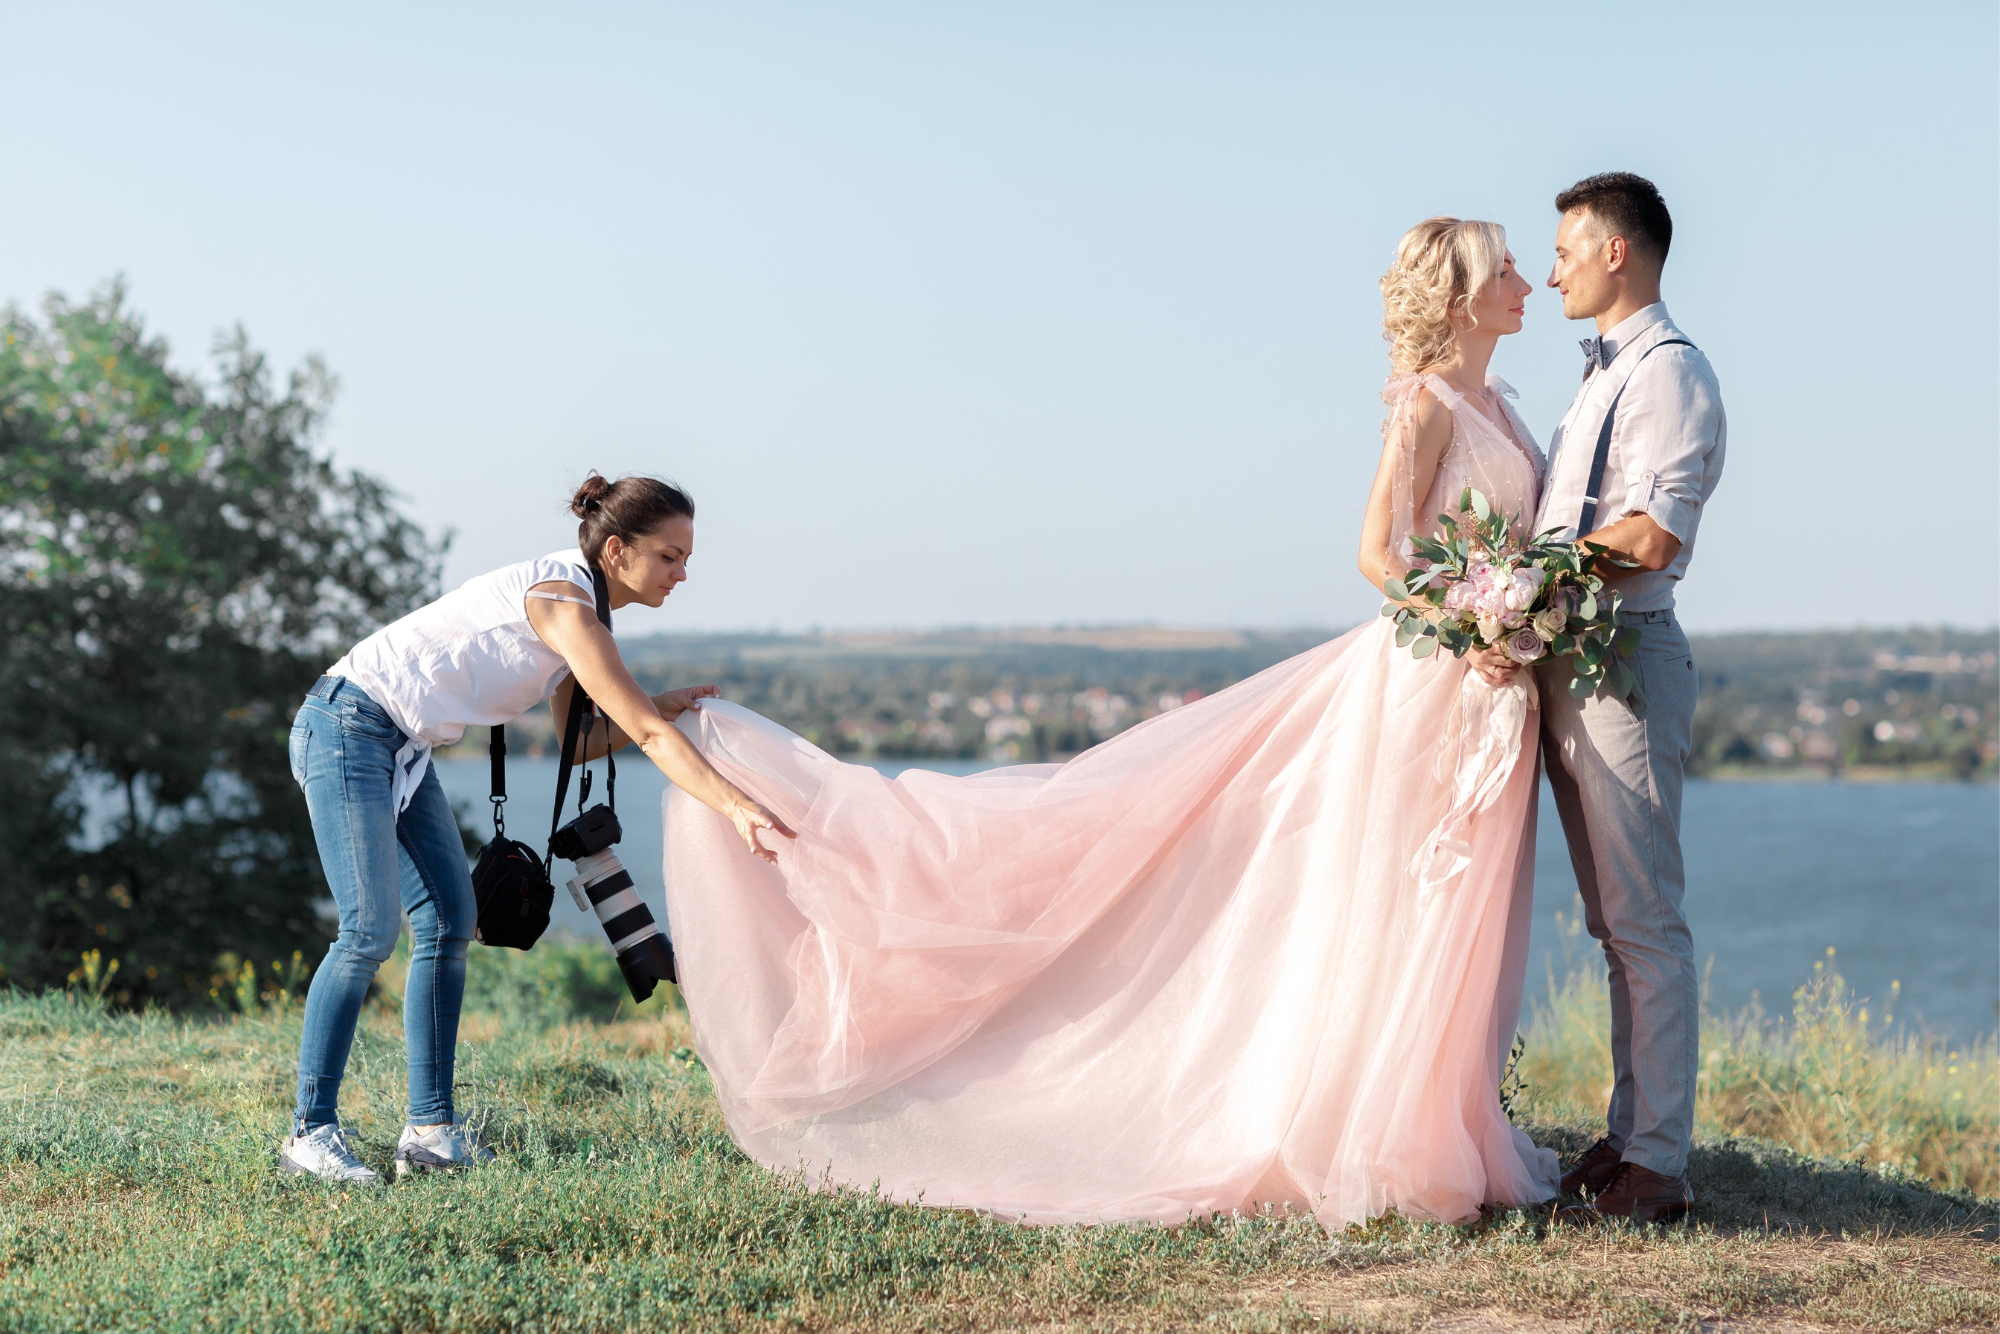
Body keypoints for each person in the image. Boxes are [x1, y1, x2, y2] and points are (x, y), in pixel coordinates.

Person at [659, 218, 1561, 1229]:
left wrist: (1517, 614)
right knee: (1402, 897)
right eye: (1506, 269)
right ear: (1458, 298)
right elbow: (1376, 553)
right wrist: (1468, 619)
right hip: (1425, 684)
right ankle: (1378, 1130)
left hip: (1491, 691)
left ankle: (1442, 1120)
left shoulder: (1504, 405)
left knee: (1461, 906)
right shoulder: (1427, 407)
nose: (1526, 279)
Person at [280, 474, 791, 1184]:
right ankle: (310, 1136)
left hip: (400, 744)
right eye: (670, 556)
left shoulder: (582, 607)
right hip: (348, 727)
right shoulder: (564, 605)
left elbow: (580, 741)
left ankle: (430, 1133)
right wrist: (735, 806)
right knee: (368, 931)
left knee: (450, 921)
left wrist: (661, 705)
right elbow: (638, 732)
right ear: (617, 550)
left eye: (686, 557)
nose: (683, 572)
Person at [1534, 173, 1726, 1224]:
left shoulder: (1669, 373)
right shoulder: (1596, 376)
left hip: (1625, 658)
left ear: (1617, 250)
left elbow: (1652, 534)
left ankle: (1657, 1161)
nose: (1552, 262)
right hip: (1572, 661)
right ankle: (1627, 1130)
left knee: (1644, 920)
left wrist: (1525, 579)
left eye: (1565, 244)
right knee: (1612, 921)